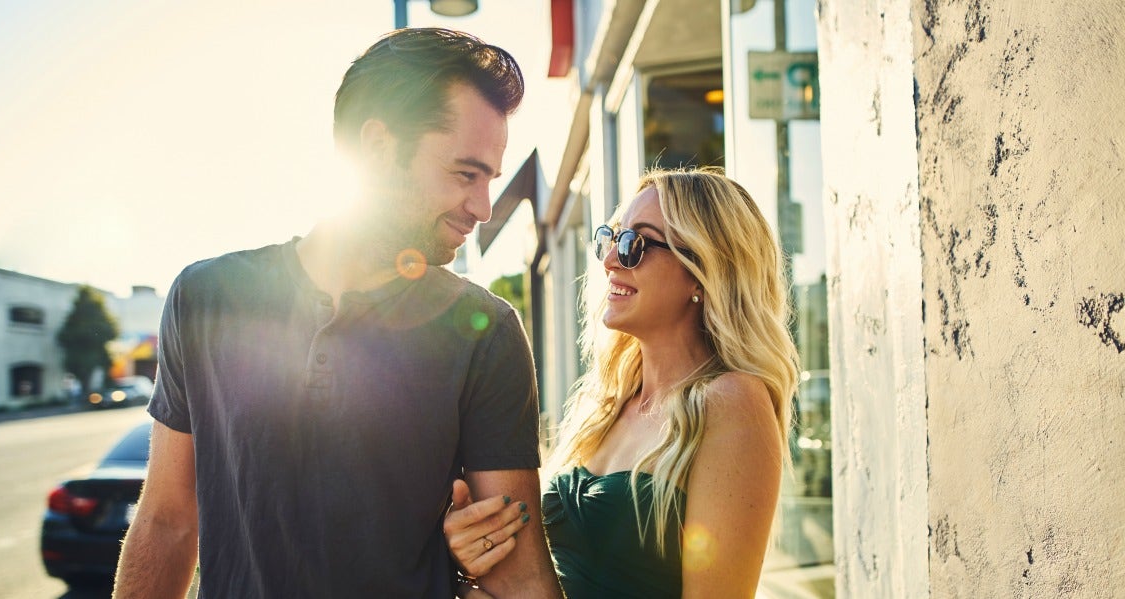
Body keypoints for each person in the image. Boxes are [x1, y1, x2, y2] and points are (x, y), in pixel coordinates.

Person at [113, 28, 563, 599]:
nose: (482, 207)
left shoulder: (486, 332)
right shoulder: (205, 298)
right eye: (464, 174)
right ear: (377, 147)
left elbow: (519, 575)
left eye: (490, 180)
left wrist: (470, 576)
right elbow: (167, 520)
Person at [444, 166, 800, 598]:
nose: (611, 260)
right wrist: (475, 555)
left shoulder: (731, 401)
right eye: (610, 239)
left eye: (635, 245)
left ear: (703, 271)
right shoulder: (603, 405)